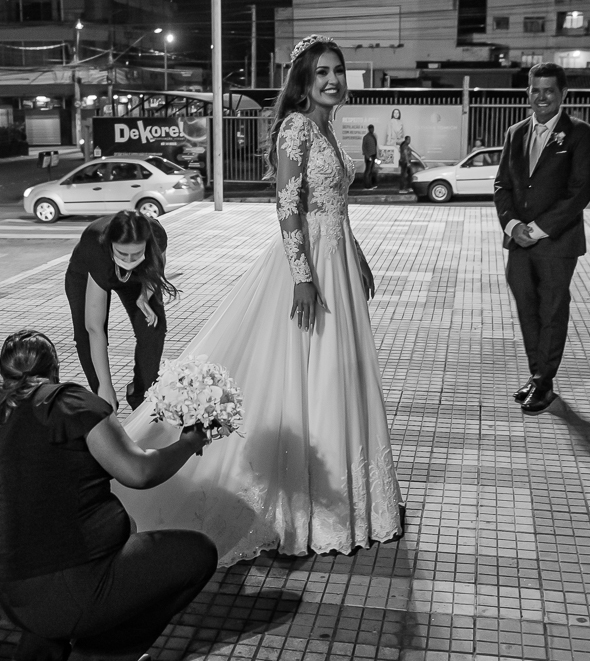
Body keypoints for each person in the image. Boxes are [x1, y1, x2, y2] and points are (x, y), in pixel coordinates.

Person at [115, 35, 404, 566]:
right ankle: (306, 511)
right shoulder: (297, 127)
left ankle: (351, 501)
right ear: (303, 81)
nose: (332, 80)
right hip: (308, 265)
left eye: (338, 71)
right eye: (321, 72)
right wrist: (302, 276)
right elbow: (287, 205)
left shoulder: (330, 128)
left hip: (335, 260)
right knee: (306, 372)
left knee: (338, 372)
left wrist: (357, 256)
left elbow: (334, 205)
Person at [0, 330, 217, 661]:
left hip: (0, 590)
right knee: (196, 553)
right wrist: (190, 441)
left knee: (118, 528)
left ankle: (40, 648)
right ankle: (99, 659)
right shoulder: (68, 402)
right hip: (63, 590)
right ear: (54, 370)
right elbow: (139, 472)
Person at [493, 62, 590, 415]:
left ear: (563, 94)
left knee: (552, 312)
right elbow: (502, 185)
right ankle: (536, 375)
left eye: (549, 90)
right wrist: (512, 227)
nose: (541, 97)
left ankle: (544, 383)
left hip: (557, 243)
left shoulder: (582, 134)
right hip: (519, 243)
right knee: (527, 311)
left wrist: (536, 229)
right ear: (528, 92)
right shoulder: (515, 132)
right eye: (535, 90)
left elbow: (579, 192)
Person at [64, 211, 176, 412]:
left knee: (154, 326)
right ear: (111, 245)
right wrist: (105, 385)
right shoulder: (96, 246)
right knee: (85, 336)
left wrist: (144, 297)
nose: (130, 259)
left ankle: (141, 395)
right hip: (86, 271)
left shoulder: (156, 234)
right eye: (123, 254)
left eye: (136, 253)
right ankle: (104, 402)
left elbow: (158, 266)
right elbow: (94, 327)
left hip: (137, 278)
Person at [362, 124, 379, 189]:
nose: (372, 130)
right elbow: (364, 147)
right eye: (371, 128)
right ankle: (367, 185)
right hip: (369, 156)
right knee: (368, 171)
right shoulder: (366, 137)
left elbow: (375, 146)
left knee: (371, 171)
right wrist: (367, 156)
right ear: (369, 129)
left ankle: (370, 184)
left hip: (373, 155)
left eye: (373, 128)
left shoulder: (373, 136)